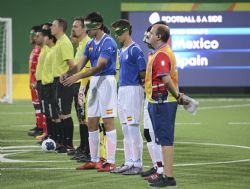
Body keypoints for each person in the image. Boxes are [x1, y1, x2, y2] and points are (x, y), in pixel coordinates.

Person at [61, 12, 117, 172]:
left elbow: (99, 66)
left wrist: (77, 76)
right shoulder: (90, 43)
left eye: (89, 26)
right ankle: (94, 159)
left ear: (98, 26)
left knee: (108, 122)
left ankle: (111, 161)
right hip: (94, 83)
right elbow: (79, 65)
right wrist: (68, 73)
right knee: (91, 122)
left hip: (106, 81)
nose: (86, 29)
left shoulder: (108, 42)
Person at [144, 22, 188, 187]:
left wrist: (177, 96)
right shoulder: (160, 53)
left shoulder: (162, 54)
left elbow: (166, 79)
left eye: (152, 32)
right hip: (159, 100)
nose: (149, 35)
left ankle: (169, 177)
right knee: (163, 139)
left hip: (163, 101)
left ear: (159, 36)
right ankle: (165, 175)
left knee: (166, 140)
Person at [110, 19, 145, 175]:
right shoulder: (121, 50)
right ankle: (129, 161)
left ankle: (138, 164)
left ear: (125, 31)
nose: (116, 36)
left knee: (133, 127)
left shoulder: (135, 50)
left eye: (118, 32)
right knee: (125, 128)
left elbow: (143, 73)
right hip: (122, 90)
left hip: (132, 90)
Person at [67, 16, 91, 162]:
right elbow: (76, 66)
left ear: (84, 29)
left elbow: (85, 68)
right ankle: (83, 147)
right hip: (79, 84)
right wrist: (68, 74)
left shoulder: (87, 43)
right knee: (81, 118)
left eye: (76, 26)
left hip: (84, 84)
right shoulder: (81, 45)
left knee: (86, 119)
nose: (73, 29)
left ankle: (87, 150)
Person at [51, 18, 75, 152]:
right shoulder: (59, 42)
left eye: (53, 25)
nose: (51, 27)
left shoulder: (64, 42)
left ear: (60, 27)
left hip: (63, 82)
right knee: (60, 113)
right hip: (56, 81)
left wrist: (65, 74)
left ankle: (68, 144)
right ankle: (62, 142)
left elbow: (72, 65)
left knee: (65, 114)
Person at [27, 25, 46, 137]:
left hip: (37, 83)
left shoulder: (40, 51)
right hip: (32, 83)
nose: (31, 37)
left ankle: (42, 128)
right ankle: (39, 126)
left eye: (33, 35)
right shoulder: (35, 50)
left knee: (41, 107)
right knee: (37, 106)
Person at [34, 29, 50, 142]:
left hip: (48, 83)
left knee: (52, 113)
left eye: (38, 35)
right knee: (45, 111)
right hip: (42, 82)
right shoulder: (43, 49)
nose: (36, 38)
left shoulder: (49, 49)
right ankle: (47, 133)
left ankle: (53, 136)